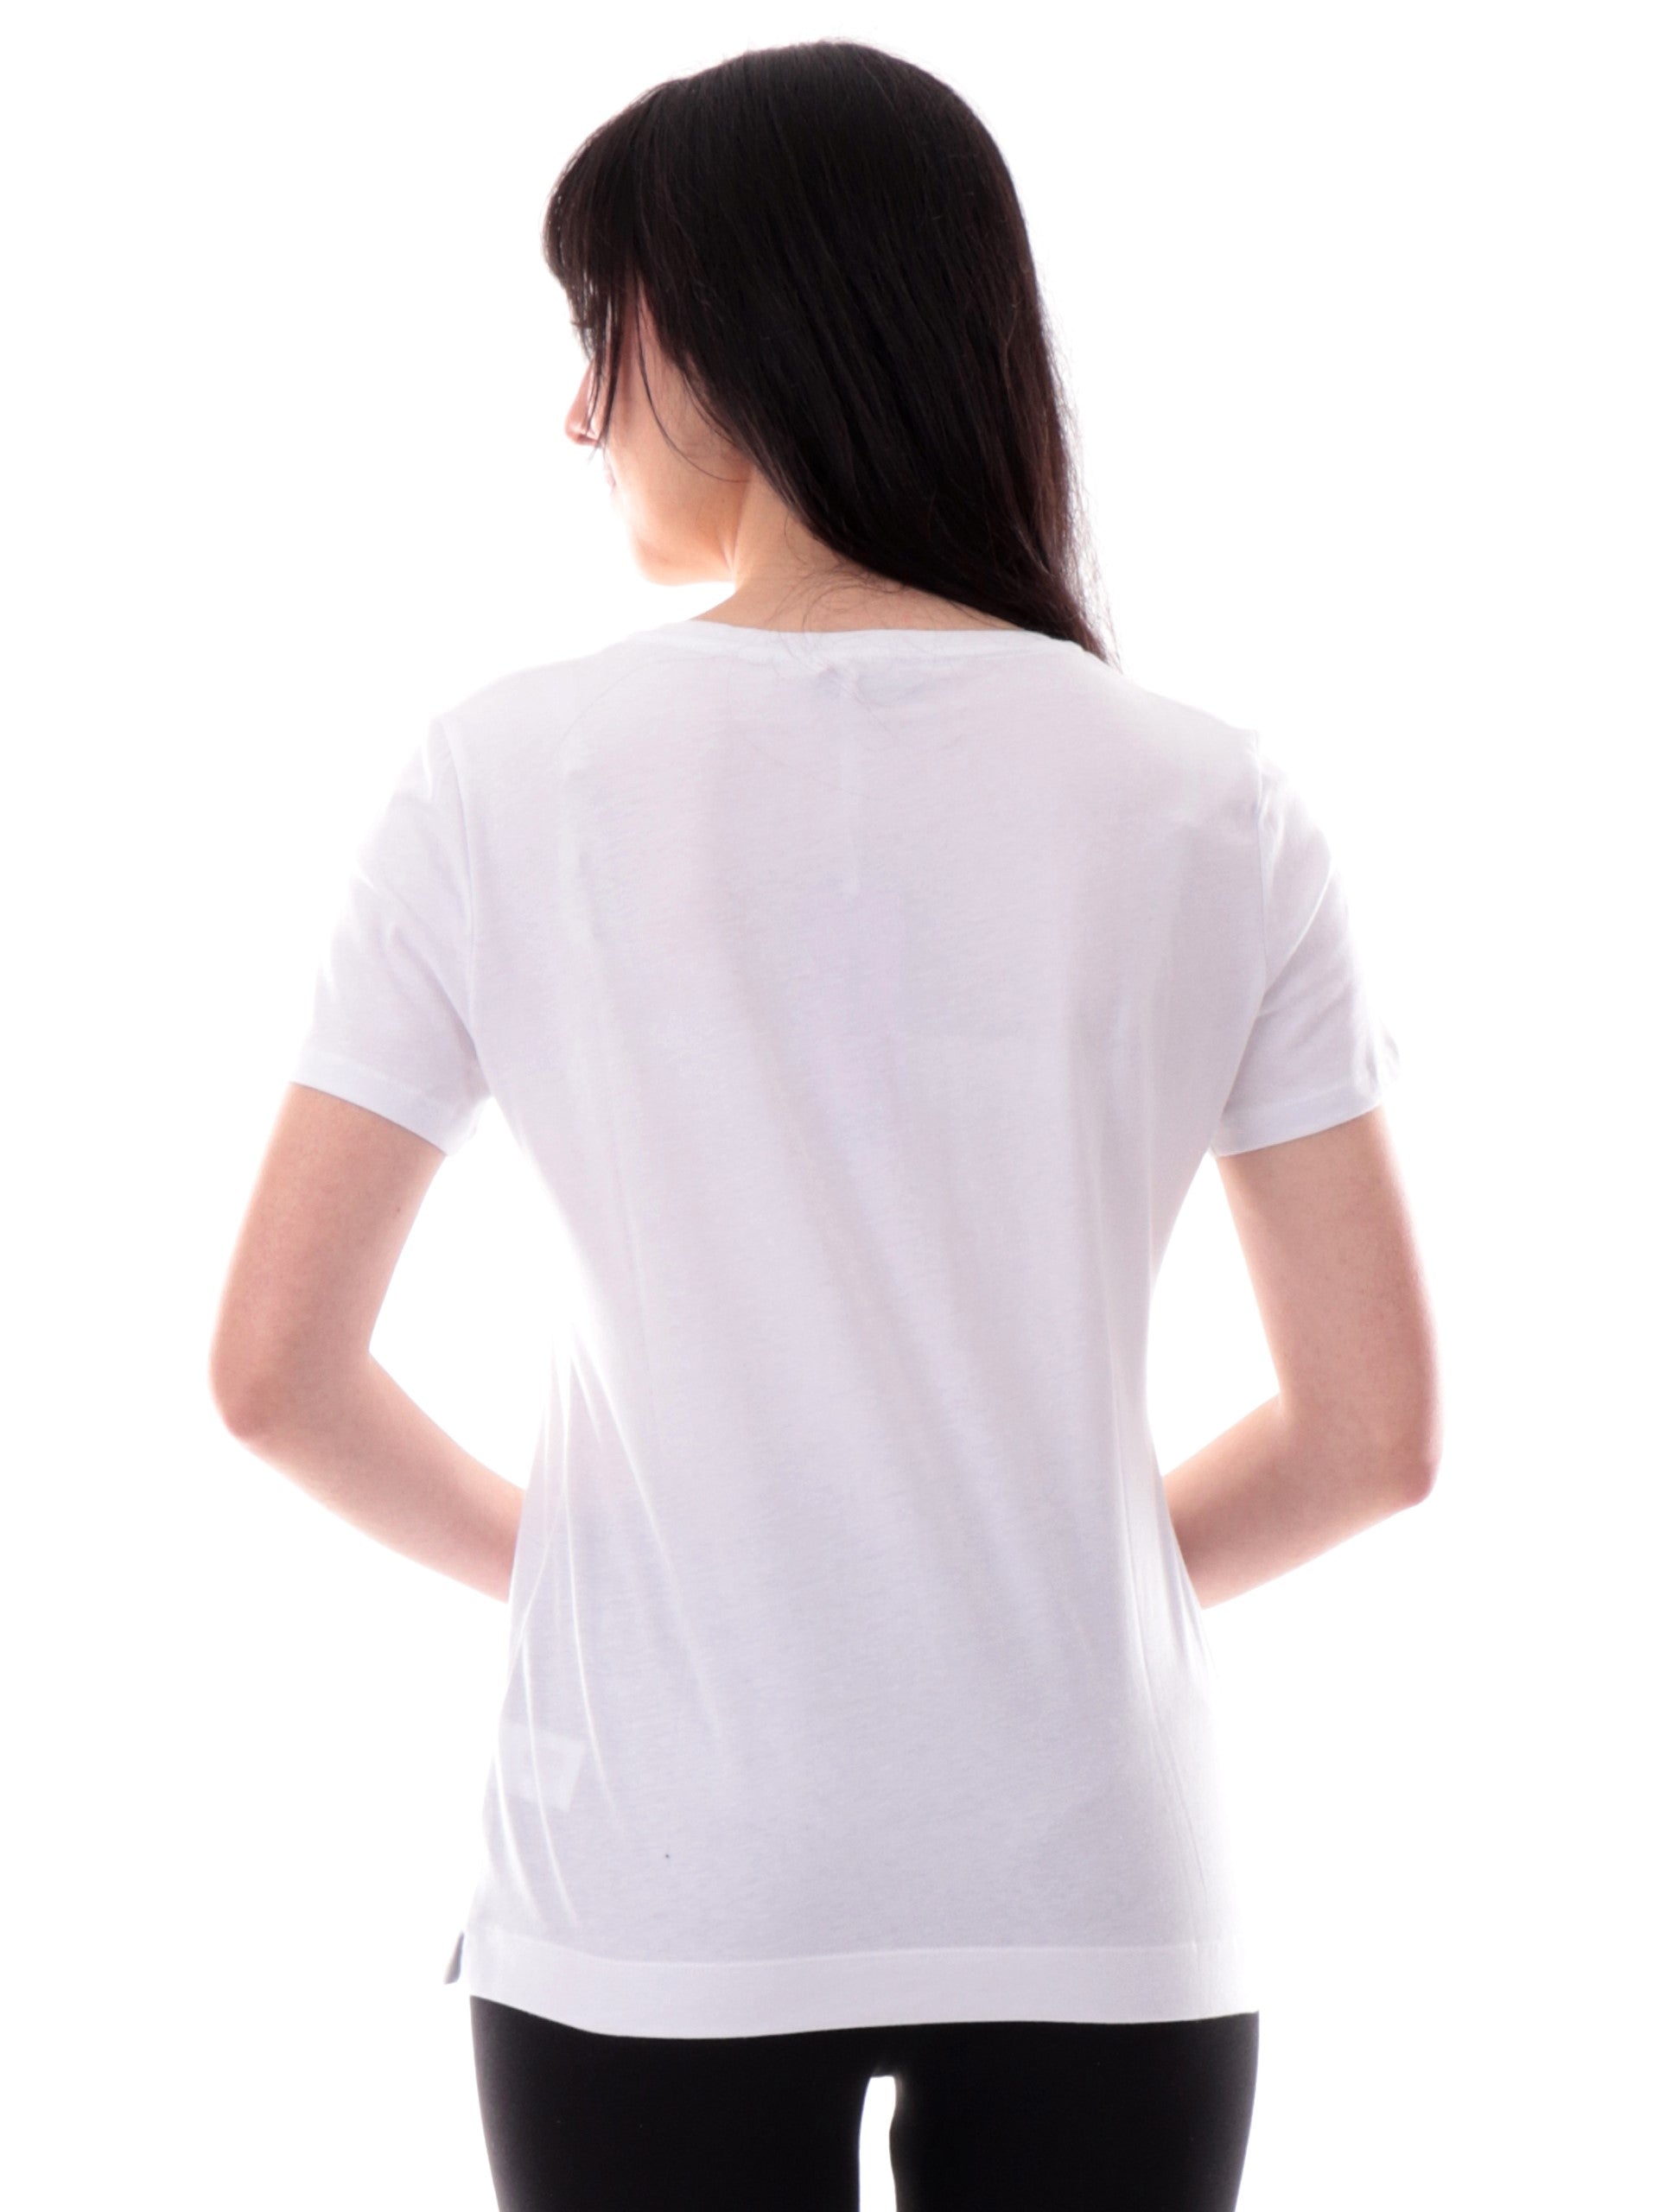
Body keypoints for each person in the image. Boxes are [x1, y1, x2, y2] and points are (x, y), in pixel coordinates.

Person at [208, 37, 1440, 2212]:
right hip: (1105, 1886)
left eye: (598, 335)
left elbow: (272, 1373)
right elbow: (1374, 1435)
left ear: (703, 327)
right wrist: (1014, 1576)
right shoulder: (1212, 801)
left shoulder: (503, 776)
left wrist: (627, 1565)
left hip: (658, 1887)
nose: (576, 416)